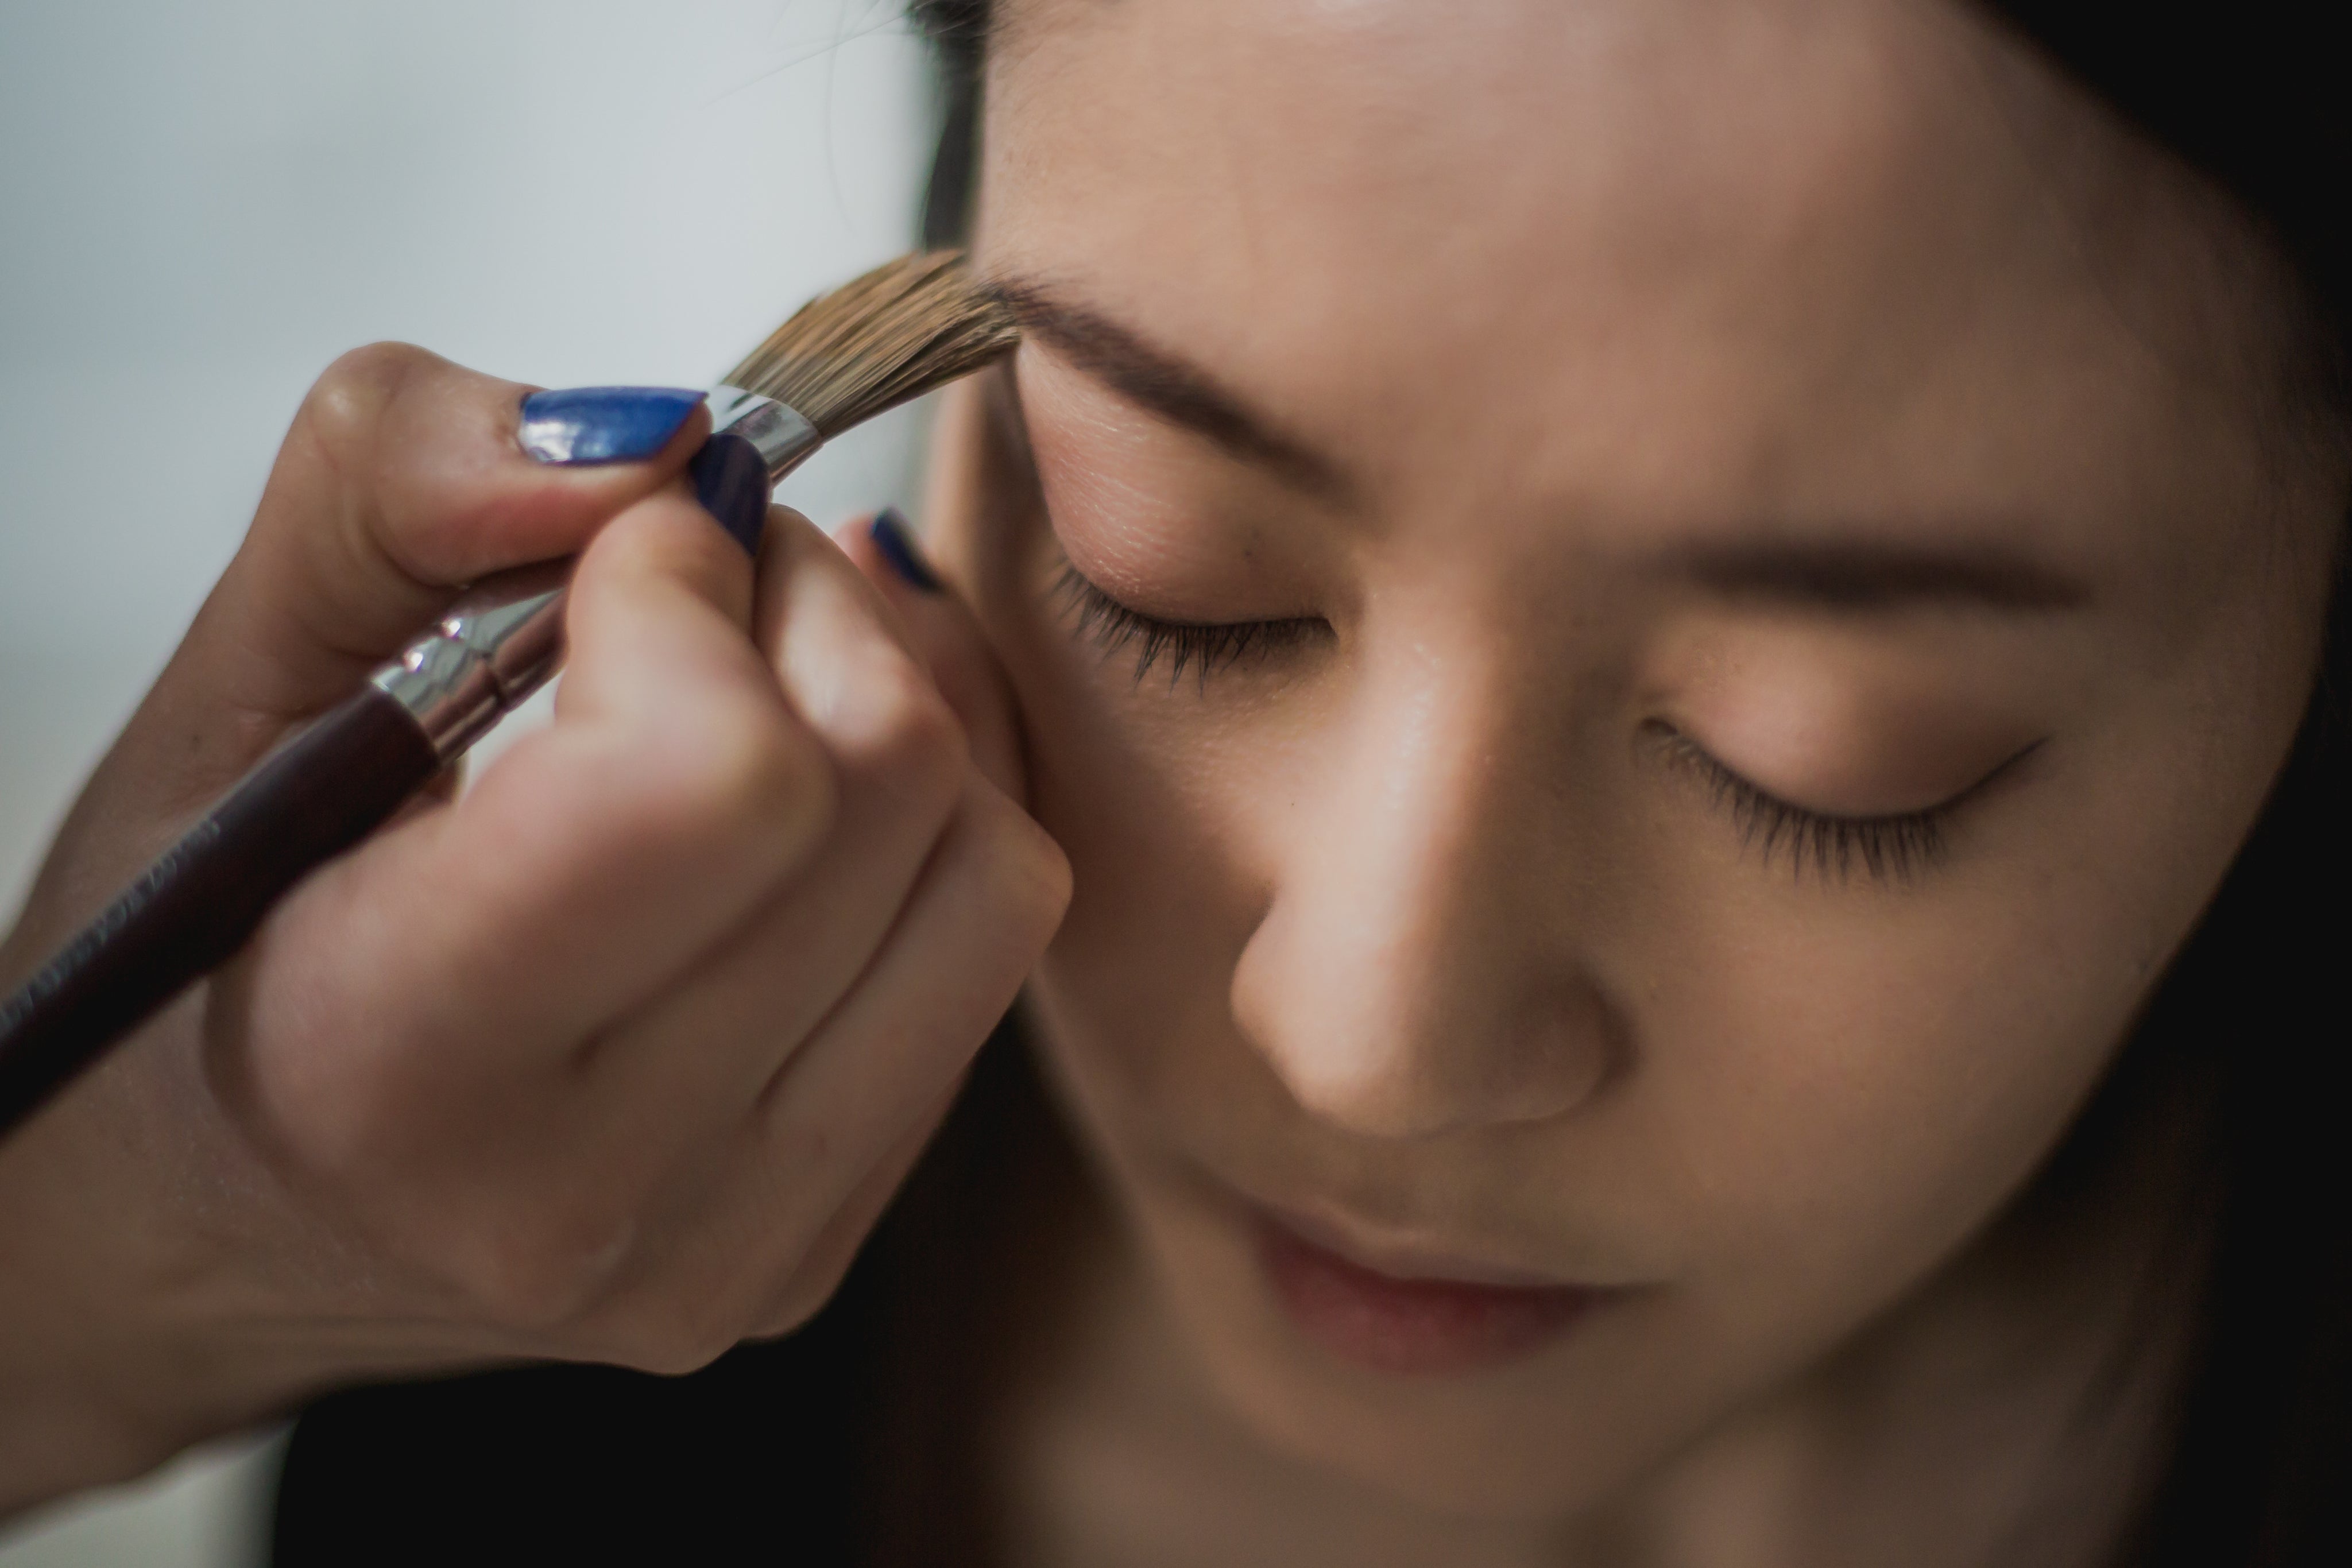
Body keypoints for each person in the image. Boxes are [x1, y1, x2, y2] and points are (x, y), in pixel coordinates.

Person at [3, 0, 2346, 1562]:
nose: (1368, 1039)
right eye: (1177, 579)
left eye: (1829, 757)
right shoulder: (540, 1278)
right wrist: (106, 1287)